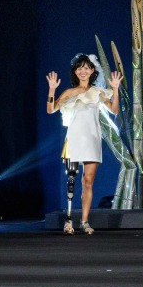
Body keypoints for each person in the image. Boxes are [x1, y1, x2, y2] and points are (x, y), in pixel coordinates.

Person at [46, 54, 121, 234]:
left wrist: (115, 89)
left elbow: (114, 110)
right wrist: (51, 89)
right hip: (74, 138)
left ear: (92, 71)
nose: (83, 71)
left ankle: (85, 221)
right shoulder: (69, 92)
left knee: (88, 181)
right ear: (75, 71)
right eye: (80, 68)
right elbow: (50, 109)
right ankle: (69, 220)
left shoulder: (97, 92)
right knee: (71, 181)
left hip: (92, 138)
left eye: (86, 68)